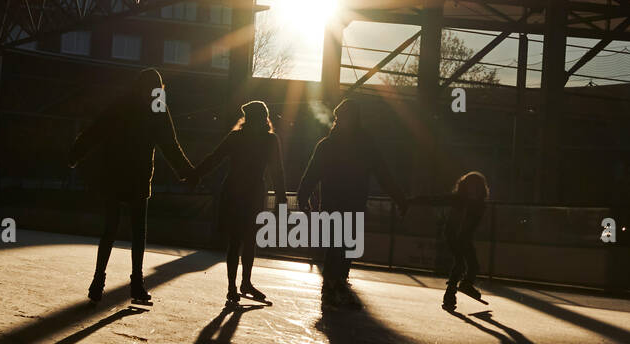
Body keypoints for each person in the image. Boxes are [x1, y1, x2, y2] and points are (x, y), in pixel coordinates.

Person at [68, 68, 194, 304]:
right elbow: (170, 144)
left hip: (115, 173)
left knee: (110, 231)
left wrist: (76, 152)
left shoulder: (122, 104)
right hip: (138, 176)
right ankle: (136, 285)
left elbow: (97, 129)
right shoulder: (157, 108)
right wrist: (187, 172)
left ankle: (98, 282)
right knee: (138, 233)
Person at [296, 98, 407, 308]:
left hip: (336, 201)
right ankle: (334, 286)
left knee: (340, 245)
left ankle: (333, 286)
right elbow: (383, 174)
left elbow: (312, 173)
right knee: (342, 245)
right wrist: (399, 198)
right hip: (351, 202)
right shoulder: (365, 145)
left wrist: (303, 197)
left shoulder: (328, 145)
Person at [187, 100, 286, 304]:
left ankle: (233, 287)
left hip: (233, 191)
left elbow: (215, 158)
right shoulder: (270, 141)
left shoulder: (236, 137)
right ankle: (245, 283)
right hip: (254, 193)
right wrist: (281, 200)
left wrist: (195, 174)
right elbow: (277, 172)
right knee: (249, 240)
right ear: (265, 118)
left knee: (235, 241)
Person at [411, 171, 490, 311]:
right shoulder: (458, 199)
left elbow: (473, 224)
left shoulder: (480, 205)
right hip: (453, 234)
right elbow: (435, 200)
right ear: (465, 187)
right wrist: (413, 200)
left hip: (465, 236)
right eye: (470, 187)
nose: (473, 190)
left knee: (473, 265)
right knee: (459, 264)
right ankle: (450, 295)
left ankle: (466, 284)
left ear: (480, 189)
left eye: (475, 187)